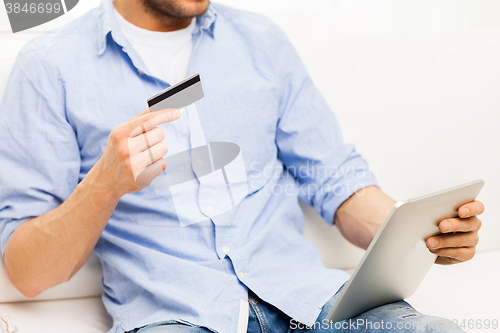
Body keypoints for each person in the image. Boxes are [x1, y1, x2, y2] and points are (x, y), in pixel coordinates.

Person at [0, 0, 484, 332]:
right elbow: (27, 272)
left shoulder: (260, 42)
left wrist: (420, 234)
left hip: (316, 301)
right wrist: (103, 186)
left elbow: (334, 180)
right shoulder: (50, 67)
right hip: (177, 316)